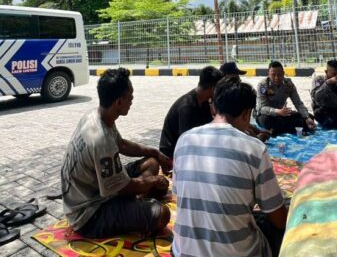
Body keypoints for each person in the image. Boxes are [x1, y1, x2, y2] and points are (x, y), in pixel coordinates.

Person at [173, 77, 288, 257]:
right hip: (240, 253)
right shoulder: (254, 149)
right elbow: (279, 219)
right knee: (284, 219)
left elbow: (180, 193)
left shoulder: (184, 141)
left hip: (182, 252)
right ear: (246, 114)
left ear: (213, 108)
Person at [60, 68, 173, 238]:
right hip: (89, 214)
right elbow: (122, 187)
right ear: (119, 102)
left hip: (100, 187)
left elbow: (122, 145)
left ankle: (135, 204)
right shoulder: (100, 139)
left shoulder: (98, 115)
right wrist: (150, 181)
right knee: (162, 214)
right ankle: (136, 206)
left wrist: (155, 153)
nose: (132, 100)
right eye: (131, 97)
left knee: (151, 162)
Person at [158, 66, 224, 161]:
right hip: (172, 155)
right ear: (214, 88)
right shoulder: (187, 107)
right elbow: (186, 141)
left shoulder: (204, 102)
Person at [255, 61, 316, 135]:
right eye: (273, 75)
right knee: (266, 121)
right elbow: (261, 108)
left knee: (310, 117)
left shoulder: (288, 84)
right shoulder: (263, 85)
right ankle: (290, 128)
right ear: (268, 74)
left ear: (283, 73)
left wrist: (306, 117)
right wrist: (277, 111)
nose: (276, 78)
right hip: (266, 115)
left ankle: (281, 129)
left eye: (279, 75)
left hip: (282, 114)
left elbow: (298, 103)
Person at [311, 60, 337, 130]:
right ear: (326, 72)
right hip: (323, 112)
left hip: (336, 111)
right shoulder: (319, 80)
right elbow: (315, 97)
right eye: (334, 74)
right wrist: (328, 83)